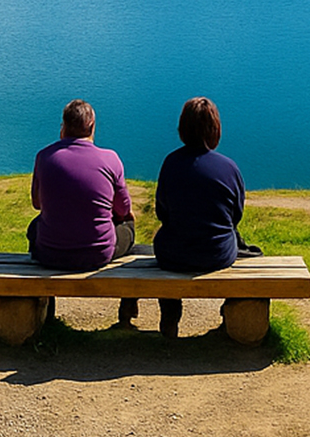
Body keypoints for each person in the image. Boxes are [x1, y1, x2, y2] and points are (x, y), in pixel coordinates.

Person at [28, 99, 137, 323]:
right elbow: (124, 209)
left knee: (34, 226)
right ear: (92, 126)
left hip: (50, 253)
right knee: (129, 226)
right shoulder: (110, 159)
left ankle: (47, 314)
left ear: (64, 126)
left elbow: (37, 204)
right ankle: (127, 308)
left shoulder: (44, 157)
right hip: (98, 254)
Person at [153, 97, 247, 339]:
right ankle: (229, 316)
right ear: (215, 129)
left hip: (172, 254)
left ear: (182, 128)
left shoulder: (170, 163)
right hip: (217, 254)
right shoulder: (229, 167)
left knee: (166, 238)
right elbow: (235, 217)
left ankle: (170, 315)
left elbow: (161, 212)